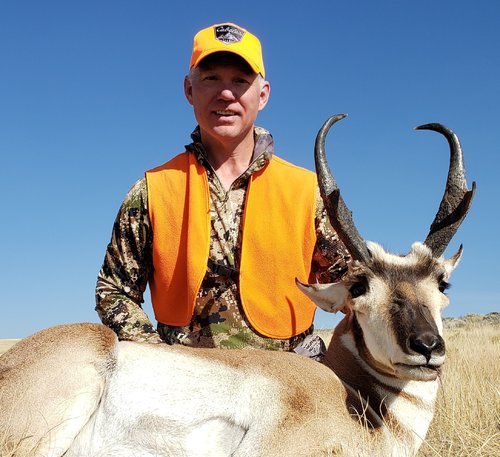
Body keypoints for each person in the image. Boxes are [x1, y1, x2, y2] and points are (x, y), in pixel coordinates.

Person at [95, 22, 350, 359]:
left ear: (263, 94)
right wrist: (159, 358)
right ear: (189, 90)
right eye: (211, 78)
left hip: (288, 377)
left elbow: (354, 288)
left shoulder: (308, 192)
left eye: (240, 81)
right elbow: (113, 290)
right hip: (187, 379)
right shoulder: (152, 191)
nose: (226, 94)